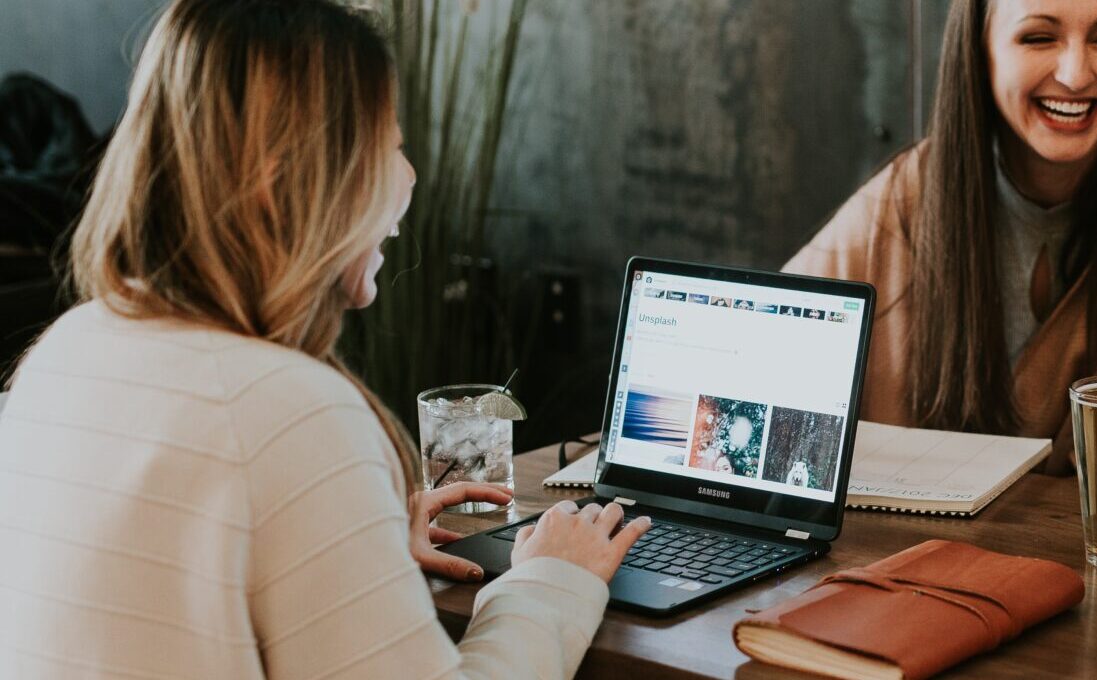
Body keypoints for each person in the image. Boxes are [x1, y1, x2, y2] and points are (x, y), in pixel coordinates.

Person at [0, 1, 650, 676]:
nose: (409, 178)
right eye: (389, 148)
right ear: (288, 179)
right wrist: (549, 580)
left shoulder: (63, 354)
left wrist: (353, 537)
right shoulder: (289, 409)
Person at [785, 0, 1097, 472]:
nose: (1075, 74)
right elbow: (766, 365)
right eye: (1039, 36)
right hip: (893, 559)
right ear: (980, 49)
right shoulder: (904, 198)